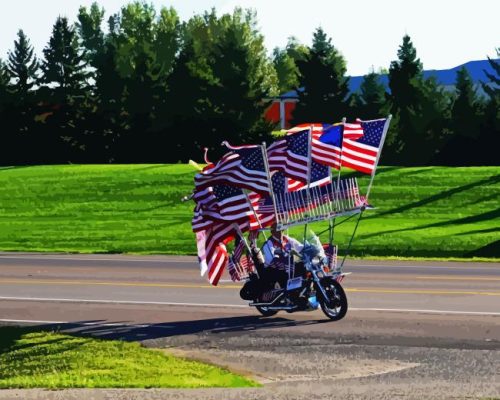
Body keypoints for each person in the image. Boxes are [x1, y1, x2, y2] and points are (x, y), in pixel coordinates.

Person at [261, 223, 303, 288]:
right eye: (278, 230)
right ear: (272, 232)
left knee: (302, 266)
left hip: (286, 266)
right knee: (284, 273)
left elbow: (299, 246)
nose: (280, 232)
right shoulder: (268, 243)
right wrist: (280, 254)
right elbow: (271, 257)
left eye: (282, 230)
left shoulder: (286, 238)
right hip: (273, 269)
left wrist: (308, 248)